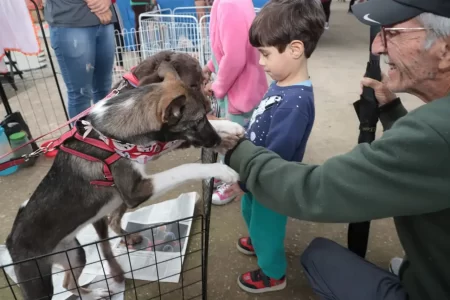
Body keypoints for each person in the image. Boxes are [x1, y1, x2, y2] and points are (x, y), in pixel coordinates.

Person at [220, 0, 450, 299]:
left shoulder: (435, 131)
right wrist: (392, 111)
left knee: (317, 255)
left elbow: (316, 190)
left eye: (392, 32)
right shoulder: (436, 132)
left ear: (445, 49)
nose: (378, 47)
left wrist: (234, 149)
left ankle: (272, 272)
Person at [235, 0, 325, 294]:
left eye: (266, 54)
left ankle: (273, 273)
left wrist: (248, 176)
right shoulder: (282, 83)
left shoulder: (295, 103)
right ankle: (259, 240)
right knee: (249, 211)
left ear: (295, 50)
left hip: (271, 183)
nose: (261, 62)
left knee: (266, 224)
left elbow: (277, 155)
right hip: (256, 177)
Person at [202, 0, 268, 206]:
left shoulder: (230, 4)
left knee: (234, 139)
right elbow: (223, 47)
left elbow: (236, 56)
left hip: (240, 90)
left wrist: (217, 85)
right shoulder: (225, 3)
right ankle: (226, 174)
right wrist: (209, 67)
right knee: (231, 135)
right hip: (236, 86)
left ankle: (232, 181)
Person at [45, 0, 116, 119]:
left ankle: (105, 134)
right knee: (81, 94)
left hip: (104, 18)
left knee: (104, 89)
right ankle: (82, 137)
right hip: (71, 20)